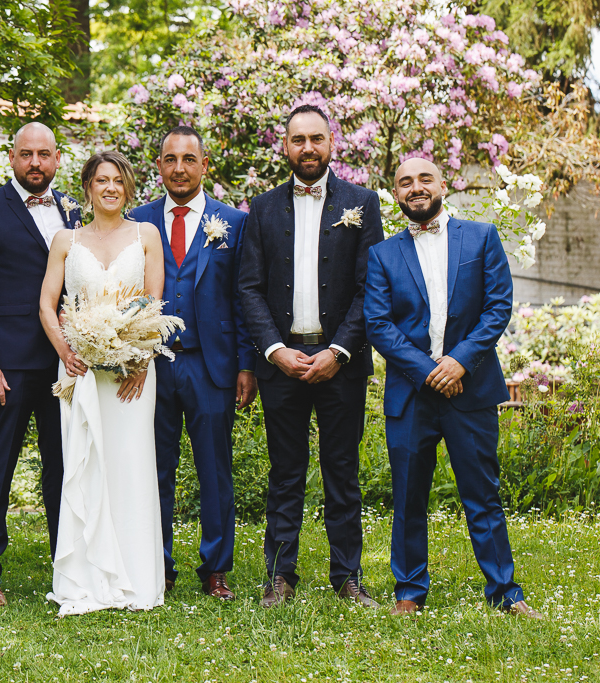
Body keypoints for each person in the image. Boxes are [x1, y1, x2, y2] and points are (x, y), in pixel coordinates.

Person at [363, 157, 543, 619]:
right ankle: (409, 591)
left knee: (483, 494)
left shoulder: (481, 238)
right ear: (396, 194)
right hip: (411, 393)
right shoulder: (383, 255)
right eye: (405, 183)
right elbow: (379, 326)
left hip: (473, 390)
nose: (416, 188)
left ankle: (506, 592)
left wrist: (459, 363)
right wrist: (429, 371)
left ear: (442, 185)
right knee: (407, 497)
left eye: (424, 179)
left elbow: (497, 307)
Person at [239, 104, 384, 608]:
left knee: (342, 470)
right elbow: (249, 289)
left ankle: (347, 576)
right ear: (285, 146)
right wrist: (275, 351)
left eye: (316, 139)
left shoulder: (362, 204)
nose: (307, 148)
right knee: (285, 472)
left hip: (340, 364)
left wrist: (340, 351)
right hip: (282, 364)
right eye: (297, 139)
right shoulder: (260, 208)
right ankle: (280, 577)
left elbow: (371, 289)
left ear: (331, 143)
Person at [127, 126, 257, 600]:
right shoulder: (137, 222)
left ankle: (216, 567)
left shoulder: (234, 223)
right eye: (169, 159)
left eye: (188, 159)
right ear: (158, 166)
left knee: (214, 471)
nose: (179, 168)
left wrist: (247, 365)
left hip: (212, 366)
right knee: (152, 468)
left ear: (205, 166)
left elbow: (245, 299)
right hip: (151, 366)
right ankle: (156, 564)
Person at [0, 122, 82, 606]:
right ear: (12, 158)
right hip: (6, 367)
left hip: (65, 365)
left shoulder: (75, 210)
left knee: (64, 467)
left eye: (44, 155)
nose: (36, 163)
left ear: (57, 159)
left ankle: (67, 562)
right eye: (26, 154)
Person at [40, 151, 166, 615]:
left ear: (127, 188)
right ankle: (85, 577)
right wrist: (68, 353)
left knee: (130, 465)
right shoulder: (65, 239)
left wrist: (141, 358)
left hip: (134, 374)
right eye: (101, 180)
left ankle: (136, 577)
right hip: (81, 373)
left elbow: (154, 303)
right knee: (85, 465)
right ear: (88, 187)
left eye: (118, 181)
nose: (110, 188)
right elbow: (47, 305)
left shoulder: (146, 235)